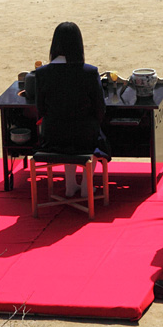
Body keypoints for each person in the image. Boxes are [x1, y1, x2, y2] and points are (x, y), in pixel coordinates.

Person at [35, 22, 107, 198]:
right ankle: (85, 186)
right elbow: (100, 107)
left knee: (66, 134)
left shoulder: (42, 73)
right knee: (95, 138)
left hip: (53, 136)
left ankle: (70, 185)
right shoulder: (89, 72)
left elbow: (40, 109)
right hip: (84, 135)